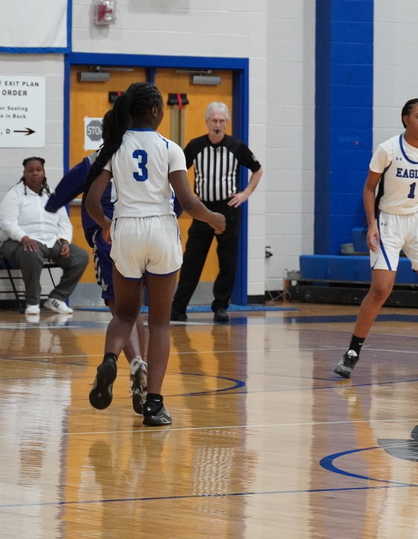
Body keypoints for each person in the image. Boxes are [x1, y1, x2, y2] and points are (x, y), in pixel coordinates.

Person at [85, 82, 227, 426]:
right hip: (161, 231)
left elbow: (91, 201)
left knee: (124, 315)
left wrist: (105, 223)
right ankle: (154, 404)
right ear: (153, 111)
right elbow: (189, 202)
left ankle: (109, 359)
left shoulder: (113, 148)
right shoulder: (169, 147)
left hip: (127, 230)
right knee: (160, 322)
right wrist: (214, 218)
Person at [331, 98, 418, 380]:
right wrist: (371, 224)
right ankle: (351, 354)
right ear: (405, 119)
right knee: (381, 289)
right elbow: (369, 188)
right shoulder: (387, 149)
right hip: (389, 221)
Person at [46, 141, 150, 415]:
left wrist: (52, 203)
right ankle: (143, 369)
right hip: (147, 235)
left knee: (121, 311)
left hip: (110, 236)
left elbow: (63, 191)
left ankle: (133, 360)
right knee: (137, 307)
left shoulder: (98, 158)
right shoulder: (156, 151)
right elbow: (175, 198)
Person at [171, 101, 263, 323]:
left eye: (222, 121)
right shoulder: (195, 146)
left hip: (228, 208)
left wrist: (245, 193)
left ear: (227, 123)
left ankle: (221, 306)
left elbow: (257, 170)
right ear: (207, 122)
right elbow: (176, 171)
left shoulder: (237, 146)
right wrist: (187, 198)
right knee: (192, 259)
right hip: (203, 209)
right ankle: (178, 307)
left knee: (228, 261)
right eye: (214, 120)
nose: (218, 125)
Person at [0, 157, 90, 316]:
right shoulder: (15, 194)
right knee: (31, 252)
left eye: (38, 170)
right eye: (30, 170)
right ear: (24, 173)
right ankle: (32, 302)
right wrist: (24, 238)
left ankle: (57, 298)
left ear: (44, 172)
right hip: (18, 242)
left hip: (51, 241)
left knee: (80, 256)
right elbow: (6, 222)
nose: (35, 173)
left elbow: (64, 223)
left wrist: (65, 241)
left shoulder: (52, 194)